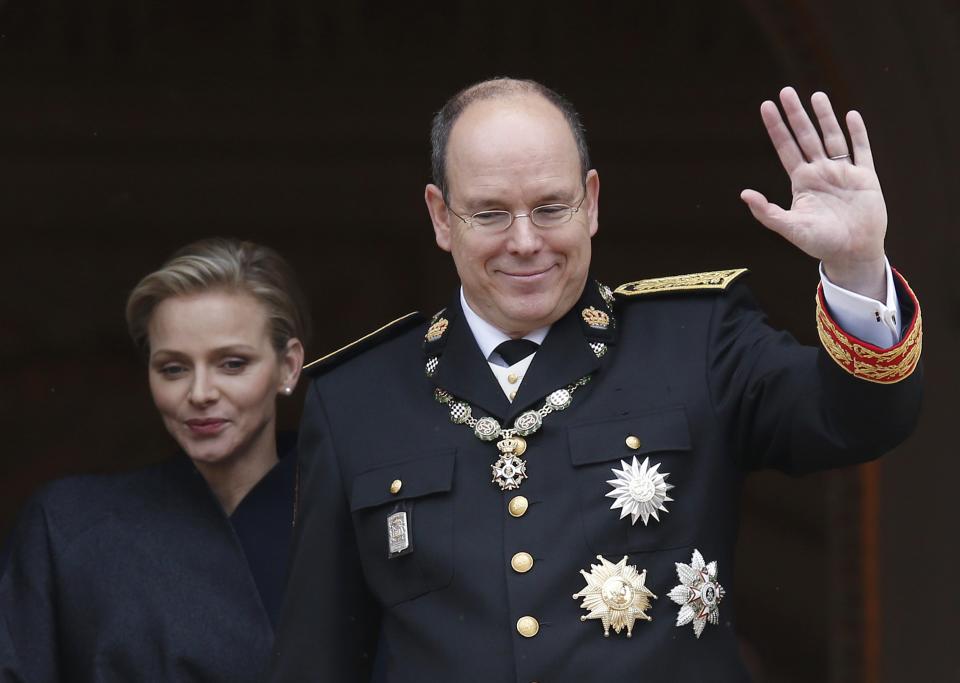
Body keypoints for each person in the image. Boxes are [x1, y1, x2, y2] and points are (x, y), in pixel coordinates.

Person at [271, 79, 922, 682]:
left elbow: (860, 419)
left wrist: (856, 266)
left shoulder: (697, 341)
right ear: (442, 216)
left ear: (593, 202)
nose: (525, 242)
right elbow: (317, 658)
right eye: (491, 214)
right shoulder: (356, 400)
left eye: (551, 207)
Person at [0, 238, 309, 682]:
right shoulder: (72, 526)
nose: (200, 393)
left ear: (288, 367)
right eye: (173, 368)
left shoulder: (351, 514)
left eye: (233, 364)